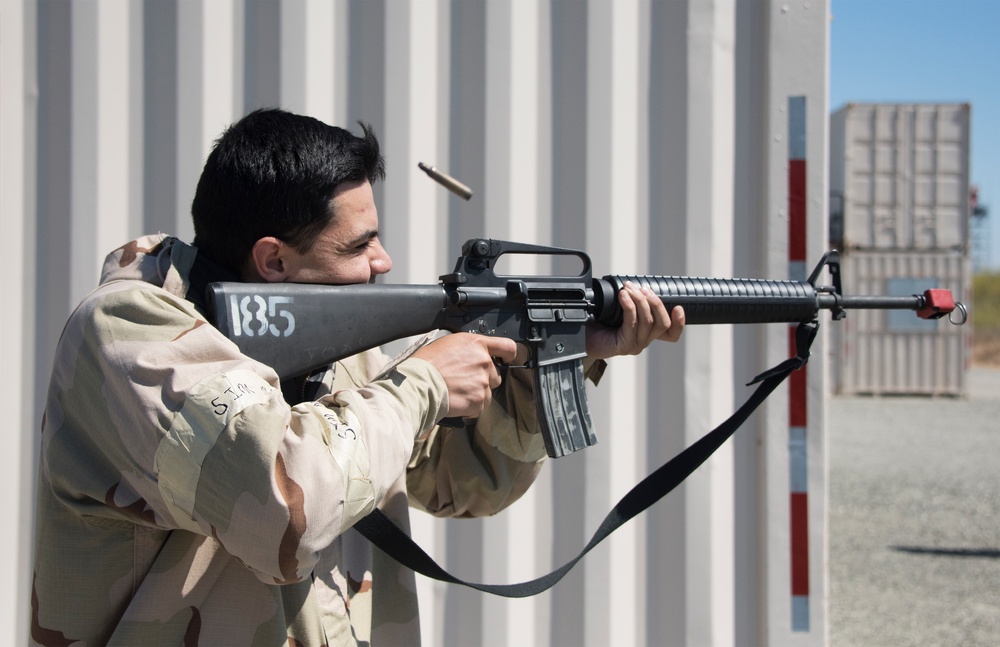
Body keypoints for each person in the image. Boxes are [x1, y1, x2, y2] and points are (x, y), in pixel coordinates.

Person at [30, 108, 684, 646]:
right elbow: (285, 507)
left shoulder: (325, 355)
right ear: (273, 262)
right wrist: (424, 383)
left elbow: (465, 480)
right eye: (357, 245)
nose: (384, 260)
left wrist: (558, 357)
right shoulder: (127, 335)